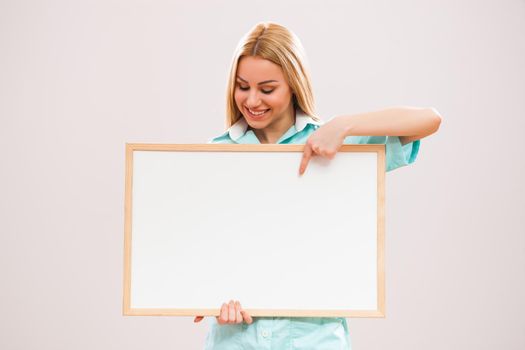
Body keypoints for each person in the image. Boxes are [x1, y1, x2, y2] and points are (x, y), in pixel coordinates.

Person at [194, 21, 442, 350]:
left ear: (294, 85)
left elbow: (429, 120)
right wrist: (206, 296)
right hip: (235, 340)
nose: (252, 100)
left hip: (314, 339)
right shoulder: (213, 156)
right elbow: (200, 249)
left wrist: (344, 125)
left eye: (267, 89)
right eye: (242, 86)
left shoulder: (335, 145)